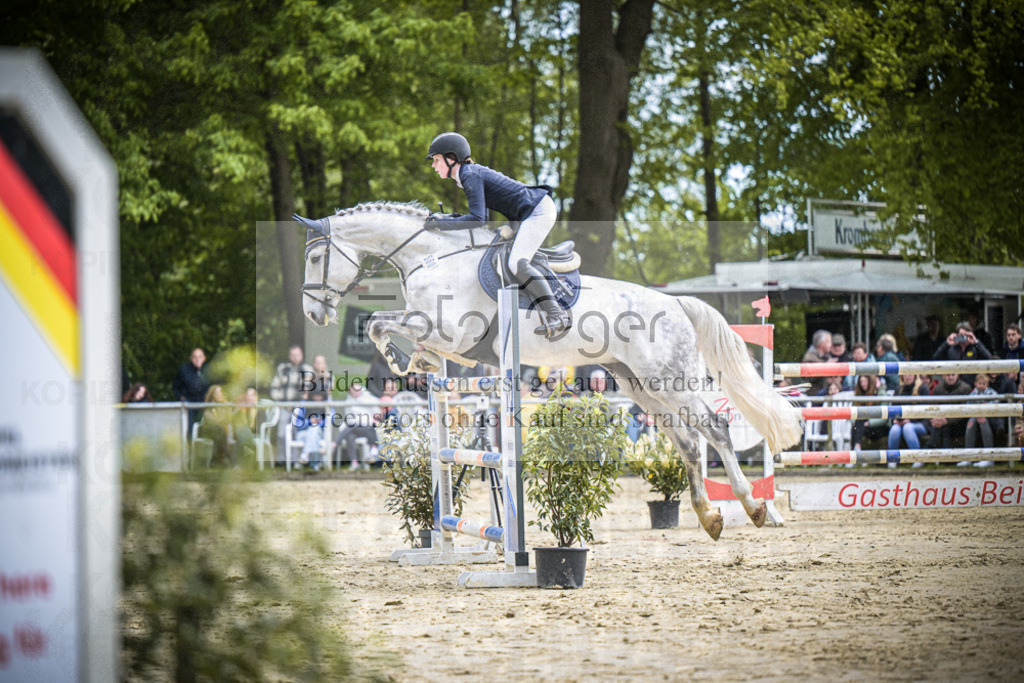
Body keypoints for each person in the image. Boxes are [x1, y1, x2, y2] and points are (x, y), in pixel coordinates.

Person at [423, 131, 570, 337]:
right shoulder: (468, 174)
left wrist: (442, 224)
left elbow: (478, 219)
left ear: (451, 158)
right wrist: (446, 219)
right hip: (525, 214)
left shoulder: (469, 175)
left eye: (437, 160)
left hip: (537, 211)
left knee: (516, 263)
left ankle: (557, 314)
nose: (433, 165)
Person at [270, 345, 314, 463]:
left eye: (297, 355)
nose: (295, 357)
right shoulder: (282, 368)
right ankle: (282, 460)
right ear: (290, 356)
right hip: (284, 407)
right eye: (293, 355)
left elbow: (308, 390)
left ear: (302, 356)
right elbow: (275, 387)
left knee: (295, 434)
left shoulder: (307, 370)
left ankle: (294, 461)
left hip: (298, 408)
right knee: (281, 434)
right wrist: (279, 399)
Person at [932, 321, 992, 385]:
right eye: (961, 335)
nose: (963, 337)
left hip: (972, 384)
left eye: (965, 335)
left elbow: (989, 358)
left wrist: (976, 342)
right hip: (954, 384)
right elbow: (936, 357)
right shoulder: (952, 347)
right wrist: (946, 343)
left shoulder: (975, 347)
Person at [887, 374, 931, 453]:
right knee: (894, 429)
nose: (907, 377)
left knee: (908, 428)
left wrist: (910, 420)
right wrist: (894, 420)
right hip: (901, 422)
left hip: (921, 423)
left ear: (915, 376)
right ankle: (892, 459)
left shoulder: (923, 388)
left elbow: (923, 412)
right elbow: (893, 409)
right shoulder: (898, 389)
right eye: (905, 375)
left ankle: (917, 457)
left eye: (909, 375)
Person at [963, 374, 999, 467]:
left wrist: (984, 410)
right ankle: (968, 457)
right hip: (975, 416)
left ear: (987, 385)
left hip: (990, 417)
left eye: (984, 383)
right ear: (975, 383)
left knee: (983, 420)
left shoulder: (991, 392)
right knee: (971, 422)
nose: (982, 385)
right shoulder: (973, 393)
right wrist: (977, 413)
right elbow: (968, 405)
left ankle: (989, 458)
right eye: (980, 383)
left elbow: (996, 402)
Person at [928, 373, 972, 448]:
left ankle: (928, 450)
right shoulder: (938, 389)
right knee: (941, 427)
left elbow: (964, 412)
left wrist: (947, 420)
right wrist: (934, 419)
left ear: (957, 375)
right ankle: (943, 455)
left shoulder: (966, 388)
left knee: (944, 427)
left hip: (960, 423)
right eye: (948, 375)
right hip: (942, 421)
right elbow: (934, 408)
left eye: (953, 375)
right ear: (943, 376)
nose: (950, 377)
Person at [172, 347, 210, 429]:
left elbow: (215, 386)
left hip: (205, 402)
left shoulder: (209, 369)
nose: (197, 359)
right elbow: (175, 387)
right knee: (188, 424)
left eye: (200, 357)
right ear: (191, 359)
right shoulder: (184, 369)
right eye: (195, 357)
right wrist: (181, 397)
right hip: (188, 402)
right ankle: (188, 440)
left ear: (204, 358)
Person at [197, 384, 233, 467]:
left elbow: (229, 419)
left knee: (219, 433)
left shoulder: (224, 405)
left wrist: (226, 405)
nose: (219, 395)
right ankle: (225, 455)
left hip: (219, 431)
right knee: (220, 429)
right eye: (217, 393)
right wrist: (222, 420)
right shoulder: (209, 406)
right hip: (208, 430)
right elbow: (211, 420)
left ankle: (214, 461)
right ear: (212, 395)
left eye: (221, 393)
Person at [850, 375, 887, 451]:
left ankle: (855, 449)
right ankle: (857, 447)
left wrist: (869, 423)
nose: (863, 384)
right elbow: (853, 413)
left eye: (865, 381)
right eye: (861, 382)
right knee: (857, 424)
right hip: (863, 425)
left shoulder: (879, 393)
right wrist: (854, 421)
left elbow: (884, 417)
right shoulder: (859, 395)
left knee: (858, 425)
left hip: (878, 425)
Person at [801, 330, 833, 394]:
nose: (831, 345)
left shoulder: (827, 356)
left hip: (826, 396)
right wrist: (826, 367)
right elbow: (808, 379)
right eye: (829, 342)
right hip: (814, 397)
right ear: (821, 344)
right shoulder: (809, 358)